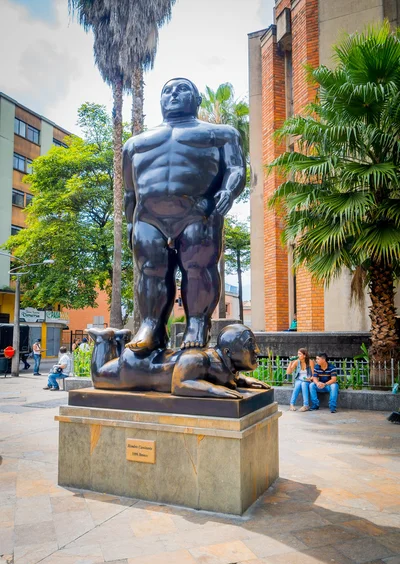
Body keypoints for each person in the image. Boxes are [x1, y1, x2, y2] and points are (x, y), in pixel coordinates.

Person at [123, 77, 246, 354]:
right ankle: (151, 325)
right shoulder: (135, 143)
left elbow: (236, 169)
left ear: (197, 100)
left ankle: (197, 323)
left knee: (198, 268)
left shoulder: (221, 133)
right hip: (147, 217)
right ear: (160, 100)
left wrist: (228, 191)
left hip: (198, 211)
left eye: (182, 89)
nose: (174, 95)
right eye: (167, 90)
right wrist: (131, 224)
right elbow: (129, 193)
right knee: (150, 271)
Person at [89, 324, 270, 398]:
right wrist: (215, 390)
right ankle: (102, 340)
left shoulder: (221, 364)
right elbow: (180, 384)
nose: (256, 351)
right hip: (137, 368)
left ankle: (121, 338)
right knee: (99, 377)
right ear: (228, 351)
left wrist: (241, 381)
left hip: (146, 362)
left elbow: (221, 378)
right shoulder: (198, 357)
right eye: (250, 345)